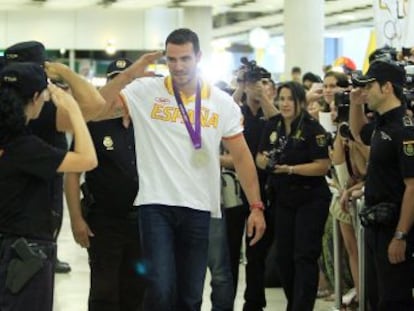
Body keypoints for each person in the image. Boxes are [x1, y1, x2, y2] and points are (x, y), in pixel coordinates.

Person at [95, 28, 266, 311]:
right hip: (156, 205)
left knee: (190, 296)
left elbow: (242, 157)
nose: (178, 66)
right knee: (161, 289)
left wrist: (256, 206)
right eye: (172, 59)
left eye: (185, 59)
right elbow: (97, 110)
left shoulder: (221, 103)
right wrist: (129, 75)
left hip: (200, 208)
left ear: (199, 57)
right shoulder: (146, 91)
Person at [0, 62, 97, 311]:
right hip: (25, 252)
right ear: (34, 98)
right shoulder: (25, 148)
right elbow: (88, 159)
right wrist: (74, 111)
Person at [65, 58, 145, 311]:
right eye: (116, 80)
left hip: (142, 221)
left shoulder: (147, 124)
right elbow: (72, 174)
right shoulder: (92, 125)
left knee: (137, 290)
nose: (121, 88)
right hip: (104, 221)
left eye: (127, 80)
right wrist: (76, 219)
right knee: (104, 291)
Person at [256, 81, 331, 311]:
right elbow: (258, 156)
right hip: (283, 199)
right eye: (282, 98)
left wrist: (290, 168)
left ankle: (301, 307)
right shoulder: (273, 125)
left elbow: (322, 166)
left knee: (304, 256)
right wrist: (268, 162)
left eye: (290, 99)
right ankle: (293, 303)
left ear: (300, 102)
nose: (285, 103)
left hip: (311, 199)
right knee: (283, 257)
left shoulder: (312, 128)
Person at [350, 60, 414, 311]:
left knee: (394, 299)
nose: (365, 91)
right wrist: (356, 105)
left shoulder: (404, 130)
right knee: (377, 296)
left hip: (395, 226)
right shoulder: (382, 123)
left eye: (370, 86)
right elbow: (358, 133)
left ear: (387, 87)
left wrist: (400, 235)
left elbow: (413, 186)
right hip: (376, 224)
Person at [224, 67, 278, 311]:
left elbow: (278, 124)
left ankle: (254, 304)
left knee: (257, 253)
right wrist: (241, 86)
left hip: (264, 191)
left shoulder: (271, 113)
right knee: (230, 252)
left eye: (264, 81)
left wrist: (263, 96)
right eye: (254, 81)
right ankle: (226, 302)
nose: (258, 85)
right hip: (235, 190)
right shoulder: (236, 110)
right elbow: (225, 110)